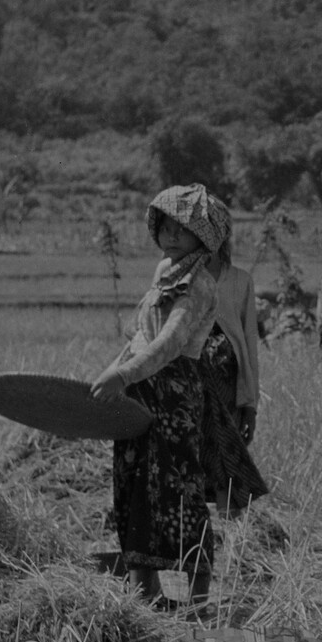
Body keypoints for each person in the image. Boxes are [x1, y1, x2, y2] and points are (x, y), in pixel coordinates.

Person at [92, 186, 227, 607]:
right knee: (134, 482)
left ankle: (199, 595)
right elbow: (139, 335)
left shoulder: (200, 282)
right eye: (166, 227)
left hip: (174, 396)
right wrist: (114, 371)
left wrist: (124, 373)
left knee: (177, 487)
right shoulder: (163, 272)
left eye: (182, 231)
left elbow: (170, 342)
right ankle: (145, 589)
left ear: (202, 238)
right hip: (141, 390)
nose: (171, 236)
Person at [193, 212, 268, 518]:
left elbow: (249, 342)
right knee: (193, 457)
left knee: (227, 456)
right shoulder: (180, 278)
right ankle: (196, 535)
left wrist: (250, 403)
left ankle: (230, 533)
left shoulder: (240, 281)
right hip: (190, 382)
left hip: (228, 383)